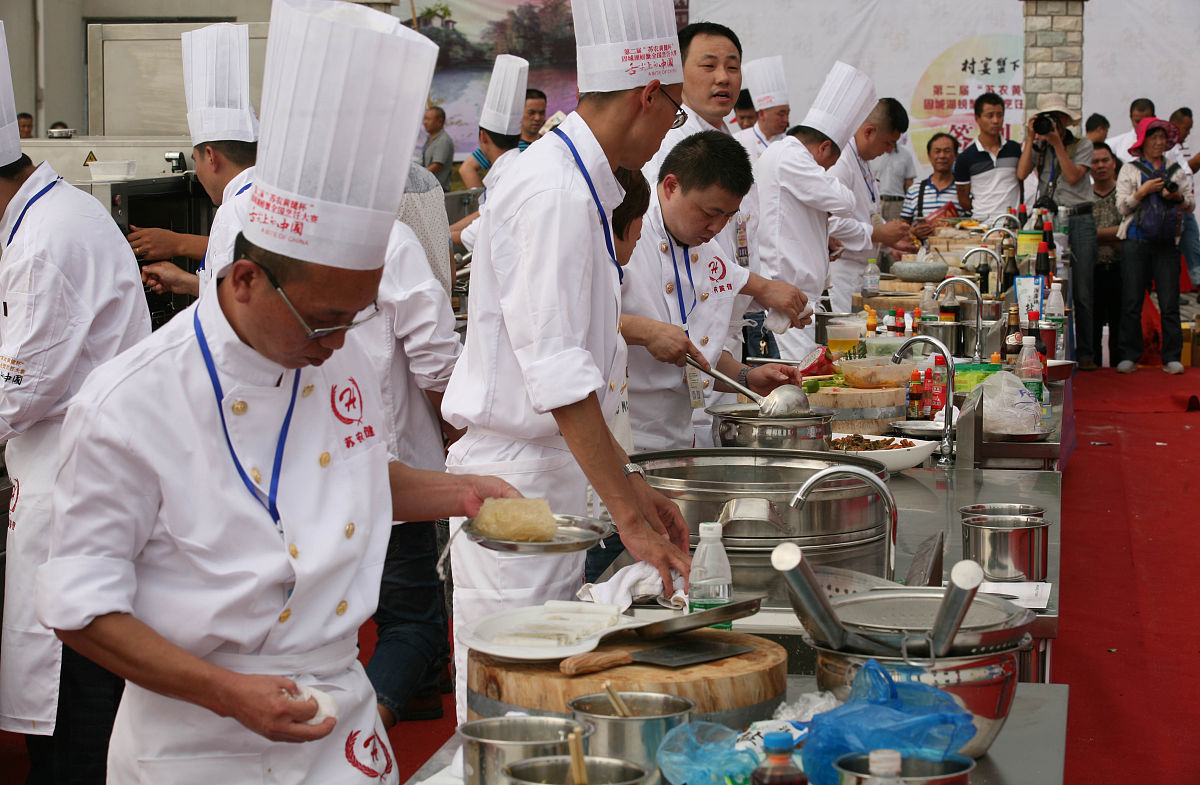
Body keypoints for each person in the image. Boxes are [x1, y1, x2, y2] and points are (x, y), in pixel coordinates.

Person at [35, 5, 481, 781]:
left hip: (339, 723)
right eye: (327, 319)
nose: (342, 342)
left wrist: (466, 490)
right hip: (196, 738)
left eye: (359, 315)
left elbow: (348, 478)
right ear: (244, 279)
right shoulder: (128, 405)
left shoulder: (327, 354)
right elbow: (80, 607)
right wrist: (227, 691)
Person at [441, 0, 691, 723]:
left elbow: (585, 370)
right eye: (673, 115)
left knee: (550, 702)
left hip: (556, 479)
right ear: (648, 97)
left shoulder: (582, 185)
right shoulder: (551, 189)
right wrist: (630, 516)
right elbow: (557, 375)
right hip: (517, 484)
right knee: (510, 709)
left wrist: (633, 486)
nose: (665, 135)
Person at [0, 21, 152, 780]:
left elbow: (15, 390)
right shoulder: (47, 218)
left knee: (74, 718)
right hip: (71, 486)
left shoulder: (45, 242)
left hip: (75, 498)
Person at [622, 131, 807, 453]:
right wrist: (645, 331)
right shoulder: (625, 234)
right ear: (670, 187)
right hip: (626, 437)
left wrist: (748, 376)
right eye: (709, 213)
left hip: (681, 436)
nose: (717, 228)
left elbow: (698, 350)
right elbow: (576, 318)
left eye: (728, 216)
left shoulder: (705, 247)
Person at [757, 60, 874, 360]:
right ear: (823, 148)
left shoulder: (789, 156)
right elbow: (844, 201)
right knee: (798, 385)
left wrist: (824, 239)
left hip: (797, 294)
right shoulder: (790, 156)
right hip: (785, 293)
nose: (826, 170)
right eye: (829, 164)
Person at [139, 23, 259, 298]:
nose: (198, 173)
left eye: (195, 161)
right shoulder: (264, 197)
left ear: (210, 157)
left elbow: (237, 310)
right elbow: (241, 293)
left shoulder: (234, 212)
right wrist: (186, 282)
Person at [1017, 93, 1098, 370]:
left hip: (1079, 219)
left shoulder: (1082, 144)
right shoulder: (1040, 145)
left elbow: (1074, 176)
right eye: (1048, 118)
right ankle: (1048, 349)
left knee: (1083, 289)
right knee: (1048, 286)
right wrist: (1032, 138)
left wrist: (1057, 143)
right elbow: (1021, 172)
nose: (1055, 123)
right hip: (1049, 220)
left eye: (1058, 118)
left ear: (1065, 121)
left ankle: (1087, 354)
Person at [827, 97, 925, 314]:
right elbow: (830, 223)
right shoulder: (841, 161)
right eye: (888, 142)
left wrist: (891, 241)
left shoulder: (863, 161)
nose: (889, 149)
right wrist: (878, 233)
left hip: (864, 269)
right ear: (869, 132)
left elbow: (870, 213)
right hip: (843, 271)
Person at [1114, 117, 1195, 374]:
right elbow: (1122, 207)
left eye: (1163, 138)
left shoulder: (1175, 170)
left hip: (1167, 243)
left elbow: (1190, 204)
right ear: (1143, 141)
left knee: (1170, 301)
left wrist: (1177, 197)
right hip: (1135, 240)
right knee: (1131, 300)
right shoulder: (1130, 169)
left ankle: (1172, 356)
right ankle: (1129, 355)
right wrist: (1143, 191)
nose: (1159, 143)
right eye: (1154, 138)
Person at [450, 55, 530, 250]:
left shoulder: (510, 176)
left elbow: (476, 233)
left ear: (483, 137)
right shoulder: (516, 166)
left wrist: (425, 238)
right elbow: (485, 214)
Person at [953, 92, 1022, 222]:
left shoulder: (1014, 149)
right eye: (989, 116)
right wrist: (984, 211)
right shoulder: (965, 157)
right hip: (982, 225)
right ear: (977, 118)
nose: (995, 121)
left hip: (1012, 224)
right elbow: (963, 200)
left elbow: (1022, 182)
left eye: (999, 115)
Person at [458, 87, 546, 189]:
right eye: (531, 113)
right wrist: (483, 200)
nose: (537, 118)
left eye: (541, 113)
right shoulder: (506, 143)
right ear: (519, 113)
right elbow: (467, 168)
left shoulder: (547, 142)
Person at [1091, 142, 1123, 365]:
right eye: (1095, 161)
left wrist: (1092, 234)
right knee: (1091, 323)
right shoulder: (1083, 197)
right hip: (1090, 270)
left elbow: (1126, 232)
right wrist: (1112, 234)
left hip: (1121, 268)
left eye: (1105, 160)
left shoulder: (1124, 194)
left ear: (1114, 164)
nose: (1101, 166)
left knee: (1120, 324)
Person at [1166, 107, 1200, 293]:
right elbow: (1187, 170)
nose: (1188, 134)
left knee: (1191, 248)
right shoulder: (1169, 148)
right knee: (1189, 248)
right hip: (1177, 209)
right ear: (1176, 126)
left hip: (1185, 206)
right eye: (1186, 128)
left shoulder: (1177, 148)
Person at [733, 56, 789, 162]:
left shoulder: (790, 144)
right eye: (781, 114)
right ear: (762, 113)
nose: (745, 123)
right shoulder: (735, 141)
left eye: (787, 114)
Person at [900, 132, 959, 223]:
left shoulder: (964, 191)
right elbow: (903, 225)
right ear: (929, 155)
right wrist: (913, 231)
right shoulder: (915, 190)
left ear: (955, 155)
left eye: (947, 151)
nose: (942, 156)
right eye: (937, 151)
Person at [871, 138, 917, 222]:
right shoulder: (874, 153)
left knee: (896, 233)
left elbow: (909, 184)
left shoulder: (905, 154)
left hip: (897, 204)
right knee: (877, 232)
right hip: (877, 204)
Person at [1109, 98, 1155, 165]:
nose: (1141, 125)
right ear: (1131, 118)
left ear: (1154, 118)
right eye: (1137, 121)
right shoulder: (1113, 145)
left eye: (1145, 121)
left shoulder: (1165, 145)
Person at [422, 106, 455, 192]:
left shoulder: (443, 140)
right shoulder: (430, 138)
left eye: (428, 119)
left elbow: (436, 166)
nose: (424, 122)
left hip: (437, 192)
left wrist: (418, 176)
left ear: (440, 121)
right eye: (424, 119)